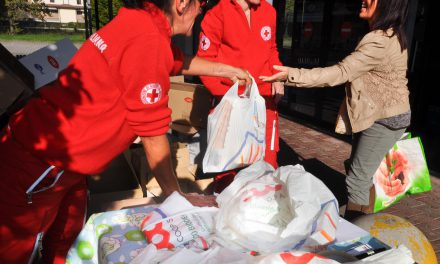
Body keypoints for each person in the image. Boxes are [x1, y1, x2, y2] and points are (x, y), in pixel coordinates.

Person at [0, 0, 251, 262]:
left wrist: (226, 69)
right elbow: (153, 136)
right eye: (201, 5)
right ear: (182, 3)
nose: (199, 15)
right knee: (17, 251)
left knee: (65, 244)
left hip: (69, 165)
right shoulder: (148, 40)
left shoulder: (137, 22)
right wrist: (178, 198)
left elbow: (174, 61)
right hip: (42, 163)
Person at [260, 0, 410, 220]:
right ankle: (365, 219)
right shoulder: (391, 34)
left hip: (383, 119)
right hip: (379, 115)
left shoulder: (379, 40)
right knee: (359, 172)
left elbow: (340, 73)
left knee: (357, 180)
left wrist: (290, 75)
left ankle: (357, 237)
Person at [197, 0, 284, 192]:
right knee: (227, 168)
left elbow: (271, 50)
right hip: (230, 102)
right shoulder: (216, 14)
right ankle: (227, 213)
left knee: (267, 165)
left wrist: (277, 76)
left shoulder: (269, 11)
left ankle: (263, 213)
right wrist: (229, 97)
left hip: (263, 101)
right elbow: (204, 63)